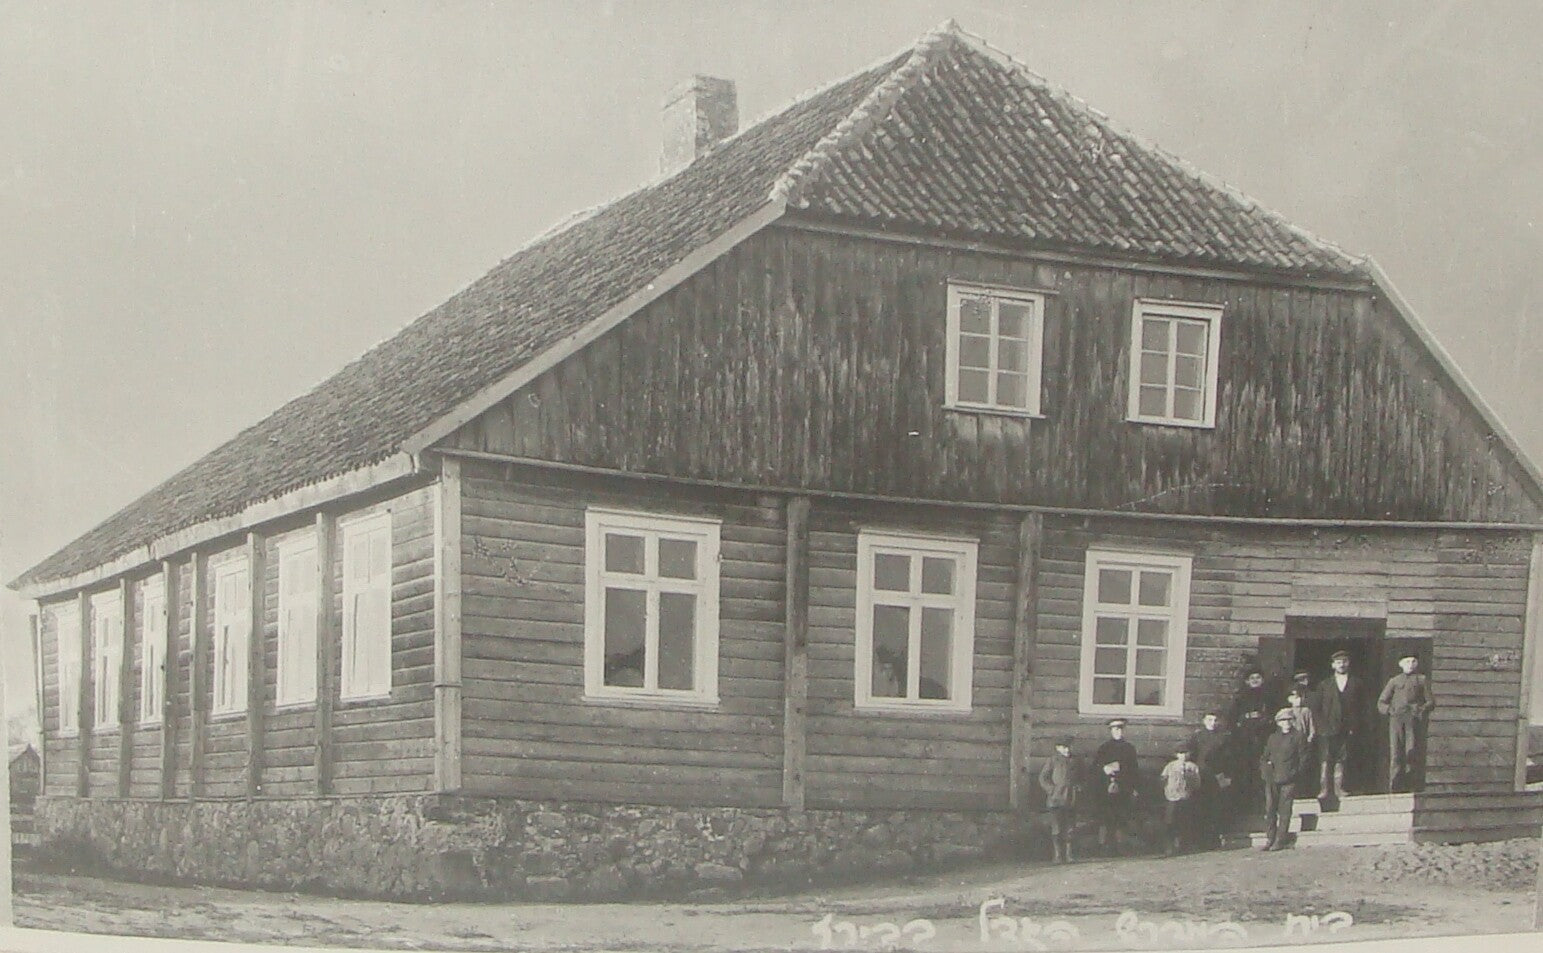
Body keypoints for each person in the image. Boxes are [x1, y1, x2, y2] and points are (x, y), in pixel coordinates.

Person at [1377, 654, 1437, 792]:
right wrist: (1390, 710)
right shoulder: (1394, 681)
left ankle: (1412, 785)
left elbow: (1431, 702)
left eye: (1413, 661)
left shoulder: (1421, 680)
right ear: (1401, 664)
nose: (1410, 664)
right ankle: (1396, 786)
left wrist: (1420, 710)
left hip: (1413, 720)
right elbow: (1381, 702)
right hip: (1397, 720)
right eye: (1407, 661)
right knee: (1396, 752)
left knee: (1412, 751)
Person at [1313, 649, 1366, 804]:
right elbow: (1316, 708)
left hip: (1347, 728)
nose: (1341, 665)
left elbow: (1362, 707)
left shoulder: (1357, 683)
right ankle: (1324, 789)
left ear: (1348, 663)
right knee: (1325, 758)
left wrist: (1355, 726)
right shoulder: (1324, 685)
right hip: (1327, 729)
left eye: (1344, 661)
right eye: (1338, 662)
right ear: (1332, 665)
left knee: (1343, 758)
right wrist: (1321, 727)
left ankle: (1339, 788)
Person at [1259, 709, 1310, 851]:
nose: (1286, 723)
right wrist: (1266, 771)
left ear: (1292, 721)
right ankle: (1270, 837)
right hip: (1272, 779)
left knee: (1285, 810)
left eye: (1288, 720)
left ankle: (1280, 840)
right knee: (1270, 809)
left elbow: (1303, 758)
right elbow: (1264, 757)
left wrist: (1295, 773)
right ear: (1278, 723)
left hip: (1289, 778)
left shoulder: (1298, 736)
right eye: (1283, 721)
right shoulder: (1273, 738)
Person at [1092, 718, 1141, 855]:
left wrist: (1133, 788)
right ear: (1111, 731)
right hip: (1106, 789)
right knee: (1105, 817)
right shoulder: (1104, 748)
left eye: (1120, 729)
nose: (1118, 732)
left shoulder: (1129, 748)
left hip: (1124, 788)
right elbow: (1095, 767)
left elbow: (1134, 770)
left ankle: (1120, 846)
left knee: (1121, 817)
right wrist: (1104, 768)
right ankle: (1103, 847)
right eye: (1115, 729)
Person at [1228, 669, 1273, 813]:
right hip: (1245, 738)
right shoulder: (1240, 697)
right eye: (1251, 678)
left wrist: (1265, 721)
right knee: (1246, 769)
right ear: (1247, 681)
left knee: (1262, 769)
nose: (1255, 680)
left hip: (1263, 736)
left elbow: (1273, 715)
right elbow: (1232, 718)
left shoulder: (1268, 696)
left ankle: (1263, 802)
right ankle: (1245, 803)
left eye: (1258, 677)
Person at [1187, 711, 1234, 848]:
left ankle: (1213, 839)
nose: (1212, 723)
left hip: (1217, 776)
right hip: (1201, 775)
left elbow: (1228, 758)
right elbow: (1192, 755)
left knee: (1215, 807)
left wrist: (1227, 775)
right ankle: (1199, 839)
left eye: (1215, 720)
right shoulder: (1197, 737)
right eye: (1209, 719)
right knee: (1200, 806)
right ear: (1204, 721)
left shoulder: (1222, 737)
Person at [1038, 738, 1080, 863]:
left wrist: (1079, 787)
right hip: (1056, 799)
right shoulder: (1053, 760)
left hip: (1071, 798)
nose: (1067, 750)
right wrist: (1052, 790)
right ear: (1058, 748)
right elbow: (1043, 778)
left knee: (1070, 827)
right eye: (1064, 747)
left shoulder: (1076, 760)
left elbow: (1083, 776)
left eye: (1068, 747)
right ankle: (1057, 855)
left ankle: (1069, 854)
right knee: (1056, 827)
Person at [1159, 742, 1201, 856]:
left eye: (1185, 753)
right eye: (1180, 753)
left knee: (1185, 821)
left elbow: (1197, 783)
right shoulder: (1171, 766)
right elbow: (1163, 779)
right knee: (1170, 821)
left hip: (1185, 798)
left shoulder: (1192, 767)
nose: (1183, 756)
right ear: (1176, 754)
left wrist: (1190, 778)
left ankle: (1184, 845)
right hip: (1172, 798)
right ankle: (1169, 846)